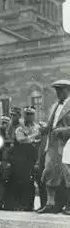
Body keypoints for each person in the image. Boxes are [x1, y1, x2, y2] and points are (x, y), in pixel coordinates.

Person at [38, 80, 70, 215]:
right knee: (49, 171)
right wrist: (45, 129)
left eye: (61, 90)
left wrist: (61, 131)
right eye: (56, 90)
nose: (58, 93)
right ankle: (50, 204)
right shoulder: (54, 106)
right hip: (53, 145)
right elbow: (51, 125)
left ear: (68, 90)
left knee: (67, 173)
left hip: (67, 143)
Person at [13, 106, 41, 211]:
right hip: (23, 158)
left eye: (31, 114)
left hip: (36, 156)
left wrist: (31, 138)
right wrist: (34, 138)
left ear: (34, 116)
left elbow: (41, 139)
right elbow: (20, 139)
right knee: (24, 181)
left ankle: (34, 204)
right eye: (27, 114)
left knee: (37, 181)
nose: (29, 117)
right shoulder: (20, 128)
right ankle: (25, 205)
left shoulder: (38, 127)